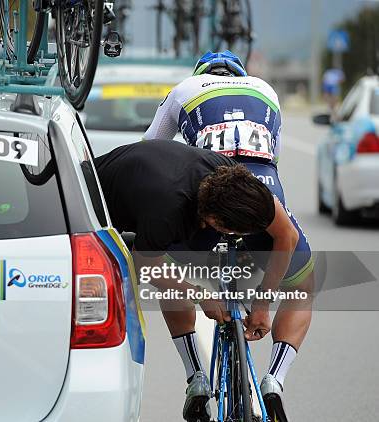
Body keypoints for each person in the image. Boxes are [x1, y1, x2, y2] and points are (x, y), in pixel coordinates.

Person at [96, 51, 314, 422]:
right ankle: (275, 379)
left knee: (165, 274)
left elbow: (153, 143)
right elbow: (273, 165)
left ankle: (195, 374)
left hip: (205, 191)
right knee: (303, 280)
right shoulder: (266, 91)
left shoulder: (184, 90)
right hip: (257, 187)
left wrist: (199, 296)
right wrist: (263, 302)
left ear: (200, 73)